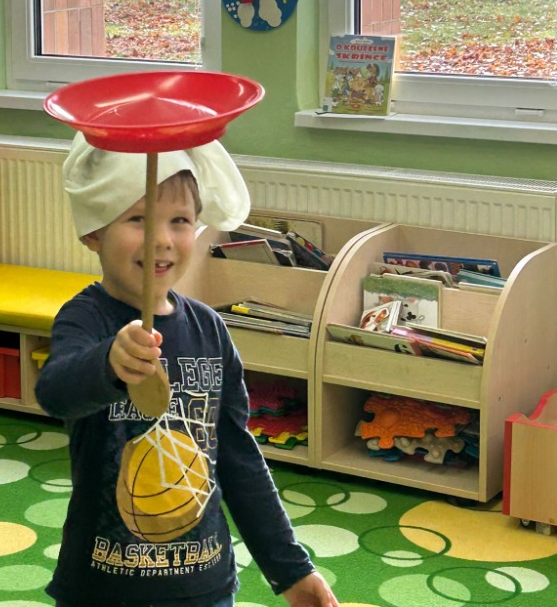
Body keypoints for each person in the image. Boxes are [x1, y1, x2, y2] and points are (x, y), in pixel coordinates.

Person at [35, 132, 340, 607]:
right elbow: (56, 392)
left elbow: (238, 458)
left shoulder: (209, 329)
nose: (162, 239)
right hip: (102, 587)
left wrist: (291, 570)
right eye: (137, 219)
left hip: (204, 586)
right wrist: (109, 363)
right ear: (93, 230)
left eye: (179, 220)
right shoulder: (86, 319)